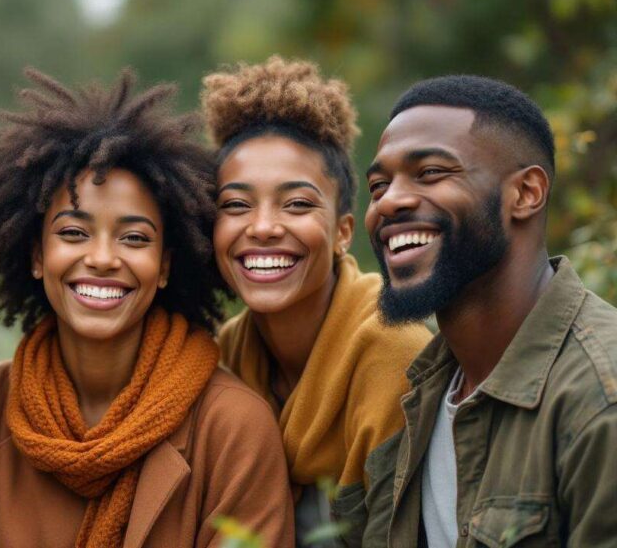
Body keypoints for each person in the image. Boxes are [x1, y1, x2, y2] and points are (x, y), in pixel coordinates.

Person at [0, 69, 295, 547]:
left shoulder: (233, 429)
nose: (101, 259)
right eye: (73, 233)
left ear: (164, 266)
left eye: (134, 238)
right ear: (37, 255)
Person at [361, 75, 617, 547]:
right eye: (378, 185)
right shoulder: (418, 393)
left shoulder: (599, 401)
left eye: (432, 172)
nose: (389, 201)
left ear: (526, 193)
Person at [200, 56, 431, 544]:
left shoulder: (395, 353)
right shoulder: (224, 354)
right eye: (236, 205)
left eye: (298, 204)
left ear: (343, 231)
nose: (262, 227)